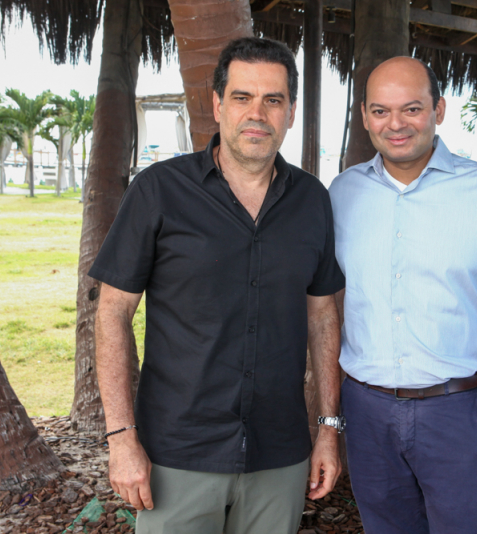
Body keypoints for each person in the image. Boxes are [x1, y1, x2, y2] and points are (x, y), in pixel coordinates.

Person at [89, 37, 346, 534]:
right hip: (176, 454)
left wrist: (328, 430)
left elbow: (322, 316)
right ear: (217, 105)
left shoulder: (312, 201)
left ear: (291, 112)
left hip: (280, 452)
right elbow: (113, 313)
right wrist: (121, 438)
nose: (258, 113)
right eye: (242, 97)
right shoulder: (159, 191)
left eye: (273, 100)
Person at [328, 56, 477, 534]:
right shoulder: (343, 193)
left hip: (458, 415)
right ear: (365, 115)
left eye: (411, 108)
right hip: (366, 413)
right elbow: (326, 302)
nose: (395, 124)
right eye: (380, 110)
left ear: (439, 110)